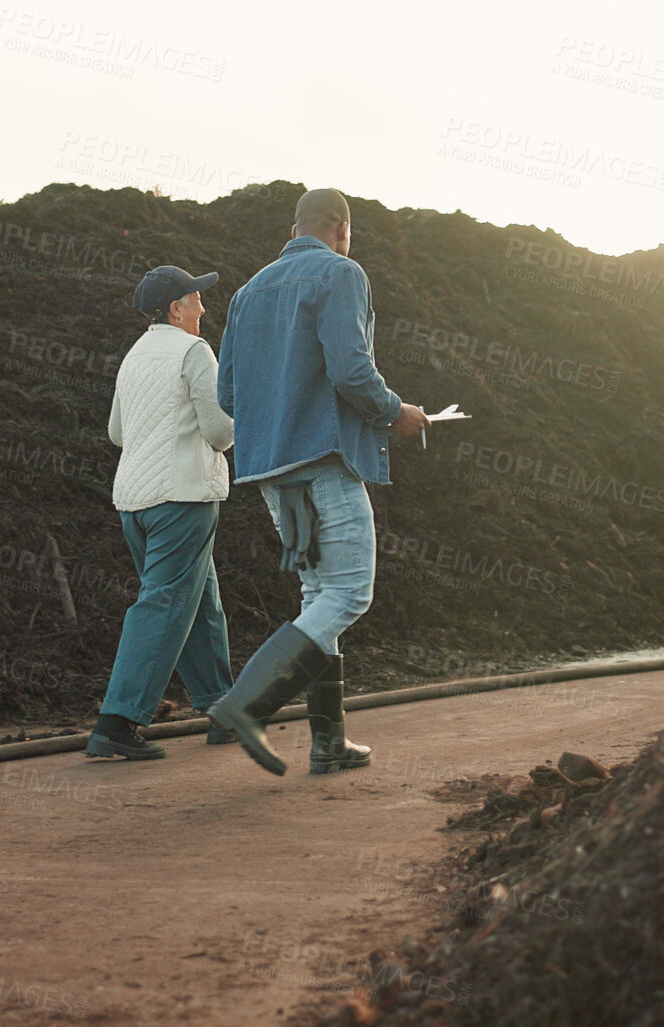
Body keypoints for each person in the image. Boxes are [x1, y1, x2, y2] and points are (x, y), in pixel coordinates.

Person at [208, 188, 429, 775]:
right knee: (351, 592)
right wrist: (394, 412)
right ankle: (246, 703)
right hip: (325, 458)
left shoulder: (249, 291)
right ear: (342, 227)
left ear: (294, 227)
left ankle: (328, 743)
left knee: (318, 596)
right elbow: (352, 369)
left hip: (269, 470)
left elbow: (227, 395)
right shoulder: (341, 273)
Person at [85, 265, 236, 760]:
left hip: (134, 502)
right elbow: (219, 433)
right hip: (183, 500)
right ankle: (118, 721)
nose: (203, 308)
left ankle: (223, 708)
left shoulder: (134, 356)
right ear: (176, 309)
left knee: (200, 603)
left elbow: (117, 434)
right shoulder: (195, 352)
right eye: (196, 299)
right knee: (164, 605)